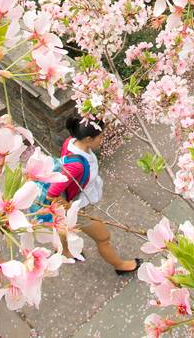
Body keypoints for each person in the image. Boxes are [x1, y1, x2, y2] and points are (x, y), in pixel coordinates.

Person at [44, 114, 141, 275]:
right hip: (80, 207)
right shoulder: (76, 166)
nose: (102, 139)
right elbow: (52, 194)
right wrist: (71, 208)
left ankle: (65, 252)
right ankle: (120, 265)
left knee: (64, 226)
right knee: (103, 238)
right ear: (88, 139)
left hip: (79, 199)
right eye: (100, 136)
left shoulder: (71, 142)